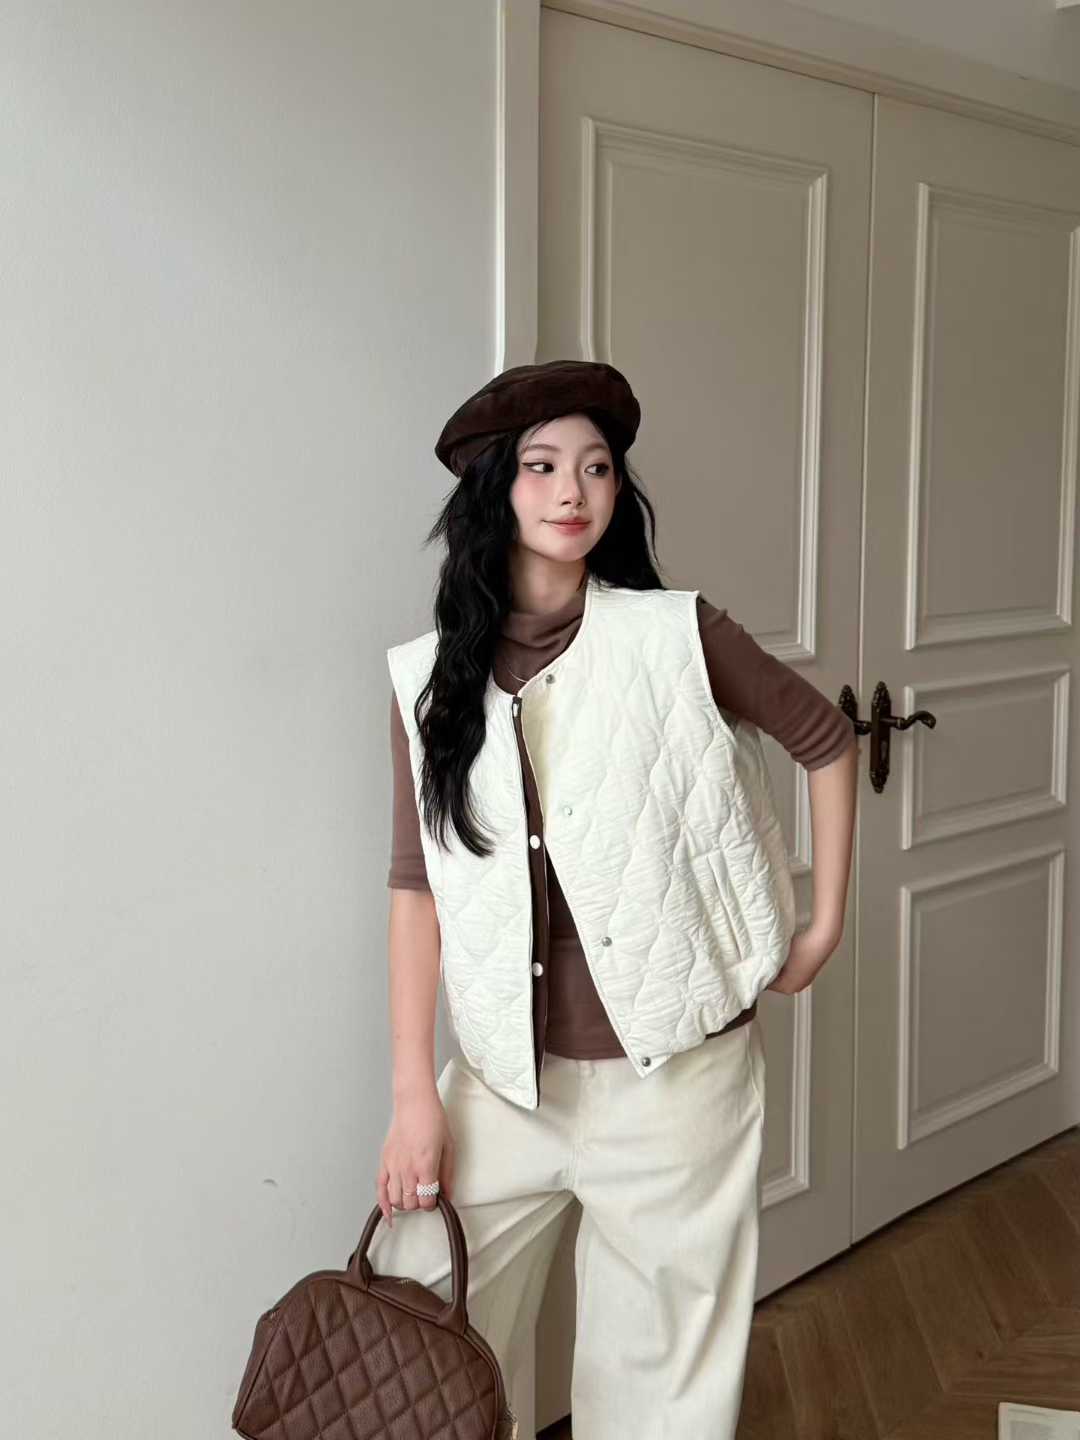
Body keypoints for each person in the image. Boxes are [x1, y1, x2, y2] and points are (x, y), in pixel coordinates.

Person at [368, 359, 858, 1440]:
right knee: (413, 1343)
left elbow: (825, 738)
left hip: (677, 1081)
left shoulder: (675, 635)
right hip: (502, 1081)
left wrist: (821, 923)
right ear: (494, 489)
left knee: (658, 1397)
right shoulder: (426, 681)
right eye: (542, 466)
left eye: (596, 468)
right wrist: (414, 1098)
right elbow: (417, 891)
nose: (573, 491)